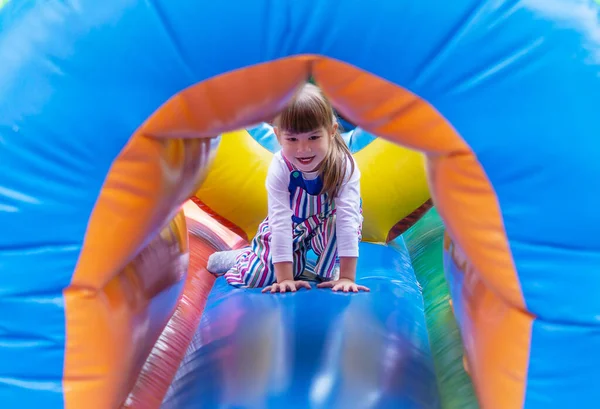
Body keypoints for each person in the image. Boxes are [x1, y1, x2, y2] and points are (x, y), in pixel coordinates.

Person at [207, 83, 368, 294]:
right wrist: (284, 278)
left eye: (313, 137)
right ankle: (244, 257)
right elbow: (279, 221)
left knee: (331, 268)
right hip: (291, 224)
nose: (303, 149)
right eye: (292, 139)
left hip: (330, 224)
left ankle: (329, 266)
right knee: (261, 276)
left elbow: (348, 218)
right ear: (277, 135)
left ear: (331, 132)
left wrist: (347, 277)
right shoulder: (281, 166)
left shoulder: (343, 165)